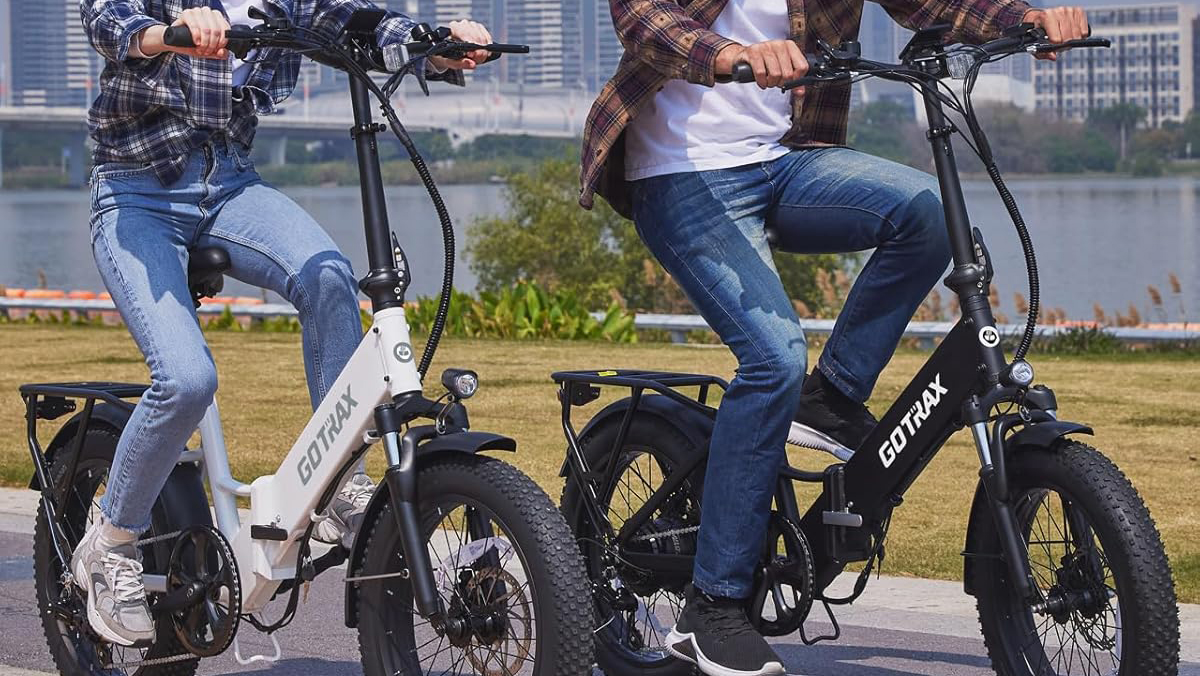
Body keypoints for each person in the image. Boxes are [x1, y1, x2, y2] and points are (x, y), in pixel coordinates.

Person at [578, 0, 1089, 673]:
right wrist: (730, 56)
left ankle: (835, 394)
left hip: (782, 161)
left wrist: (1023, 19)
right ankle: (712, 606)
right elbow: (643, 19)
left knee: (930, 217)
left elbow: (933, 4)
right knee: (773, 357)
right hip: (680, 172)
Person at [72, 0, 493, 647]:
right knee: (186, 381)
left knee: (329, 277)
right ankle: (111, 543)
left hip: (231, 186)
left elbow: (354, 22)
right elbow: (110, 20)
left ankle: (337, 484)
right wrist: (170, 35)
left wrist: (434, 44)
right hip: (135, 190)